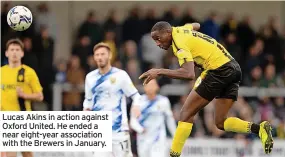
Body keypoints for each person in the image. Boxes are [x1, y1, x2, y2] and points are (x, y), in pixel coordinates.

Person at [139, 21, 274, 157]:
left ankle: (173, 155)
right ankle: (260, 129)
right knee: (220, 122)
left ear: (168, 33)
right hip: (233, 68)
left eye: (158, 38)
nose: (157, 43)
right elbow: (196, 25)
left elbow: (189, 74)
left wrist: (159, 71)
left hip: (217, 69)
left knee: (186, 113)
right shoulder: (180, 30)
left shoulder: (178, 41)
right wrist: (190, 32)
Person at [83, 42, 141, 157]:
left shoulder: (121, 75)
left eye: (103, 54)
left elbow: (136, 96)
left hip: (119, 131)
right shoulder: (90, 77)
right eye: (97, 55)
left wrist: (136, 105)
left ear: (109, 55)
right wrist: (86, 112)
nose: (100, 57)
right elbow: (88, 101)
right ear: (94, 57)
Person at [1, 39, 44, 157]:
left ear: (22, 53)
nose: (14, 52)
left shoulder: (28, 72)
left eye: (17, 50)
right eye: (12, 50)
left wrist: (24, 95)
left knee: (26, 152)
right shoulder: (1, 72)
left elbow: (40, 96)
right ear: (6, 53)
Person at [130, 79, 176, 157]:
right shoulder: (138, 102)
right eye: (148, 84)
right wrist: (140, 129)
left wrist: (175, 136)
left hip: (158, 139)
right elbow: (132, 121)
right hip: (143, 139)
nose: (150, 87)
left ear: (157, 87)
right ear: (144, 87)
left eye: (152, 84)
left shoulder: (163, 101)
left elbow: (170, 120)